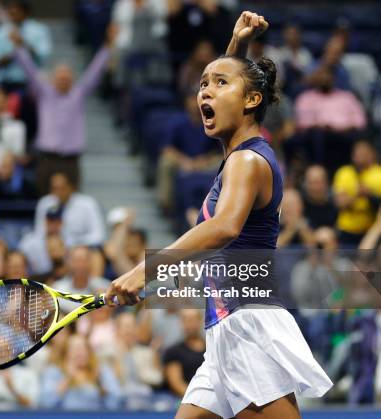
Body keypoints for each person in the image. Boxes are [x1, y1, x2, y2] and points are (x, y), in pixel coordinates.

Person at [106, 12, 333, 419]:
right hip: (223, 330)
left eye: (219, 84)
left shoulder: (247, 161)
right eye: (202, 84)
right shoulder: (238, 155)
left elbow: (224, 227)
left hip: (248, 325)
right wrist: (236, 46)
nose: (205, 92)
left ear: (251, 101)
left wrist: (147, 270)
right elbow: (235, 88)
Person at [12, 25, 116, 193]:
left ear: (73, 79)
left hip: (70, 160)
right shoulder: (44, 93)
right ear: (53, 79)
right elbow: (29, 70)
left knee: (73, 201)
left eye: (67, 78)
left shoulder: (78, 94)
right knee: (45, 198)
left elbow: (94, 72)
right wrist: (19, 47)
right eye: (60, 78)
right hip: (47, 157)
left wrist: (107, 46)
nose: (63, 81)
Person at [332, 140, 381, 246]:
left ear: (372, 154)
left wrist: (369, 195)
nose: (359, 157)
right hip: (348, 230)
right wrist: (357, 194)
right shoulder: (345, 173)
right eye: (357, 153)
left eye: (363, 153)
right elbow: (339, 203)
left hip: (375, 228)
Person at [34, 173, 105, 248]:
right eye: (55, 188)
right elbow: (39, 233)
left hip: (80, 248)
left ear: (71, 187)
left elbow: (99, 236)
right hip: (51, 247)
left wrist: (73, 243)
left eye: (62, 188)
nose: (58, 193)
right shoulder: (45, 203)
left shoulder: (88, 203)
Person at [163, 310, 205, 398]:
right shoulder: (173, 352)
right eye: (186, 320)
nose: (190, 324)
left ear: (201, 321)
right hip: (185, 399)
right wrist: (197, 399)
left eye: (193, 319)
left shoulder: (212, 349)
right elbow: (176, 383)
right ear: (181, 323)